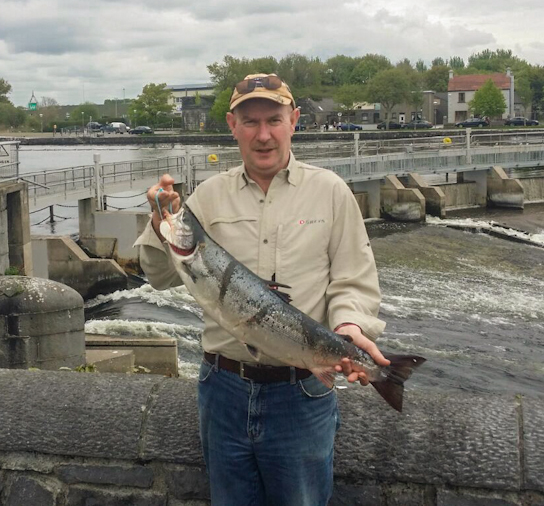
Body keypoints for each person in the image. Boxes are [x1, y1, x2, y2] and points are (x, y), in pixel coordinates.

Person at [135, 73, 388, 506]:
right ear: (232, 126)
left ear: (295, 120)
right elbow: (157, 276)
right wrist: (161, 227)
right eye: (250, 122)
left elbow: (353, 280)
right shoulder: (206, 198)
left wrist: (349, 326)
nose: (264, 134)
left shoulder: (331, 192)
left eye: (274, 119)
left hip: (303, 392)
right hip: (223, 389)